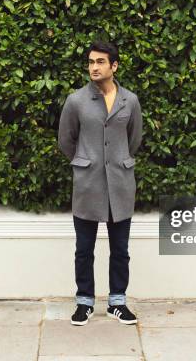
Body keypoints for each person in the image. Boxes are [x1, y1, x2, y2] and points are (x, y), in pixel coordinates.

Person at [58, 41, 143, 326]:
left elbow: (134, 139)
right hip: (87, 183)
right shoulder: (76, 100)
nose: (94, 67)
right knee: (84, 249)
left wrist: (118, 160)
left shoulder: (129, 101)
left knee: (120, 249)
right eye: (91, 61)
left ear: (114, 66)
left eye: (100, 62)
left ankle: (117, 301)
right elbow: (66, 139)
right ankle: (84, 302)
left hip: (121, 183)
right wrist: (85, 160)